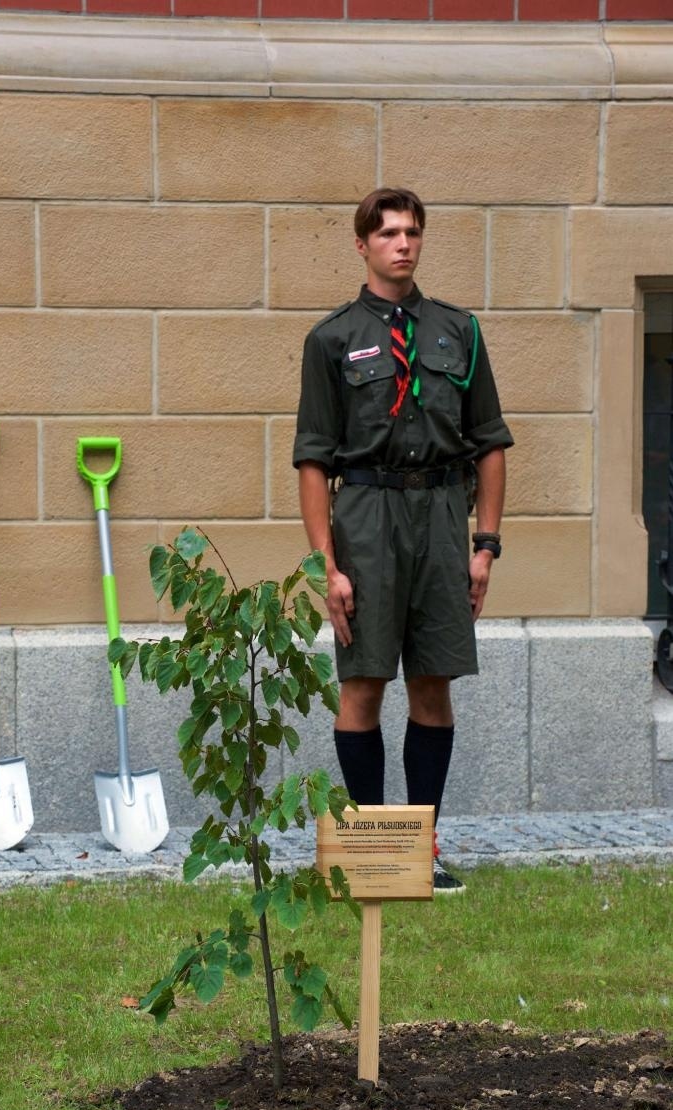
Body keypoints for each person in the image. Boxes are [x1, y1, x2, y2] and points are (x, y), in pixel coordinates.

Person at [293, 186, 513, 894]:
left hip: (443, 517)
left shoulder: (460, 331)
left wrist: (485, 546)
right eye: (387, 233)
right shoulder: (330, 339)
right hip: (366, 514)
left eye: (412, 232)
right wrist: (327, 565)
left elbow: (490, 445)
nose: (403, 243)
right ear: (361, 244)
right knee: (360, 685)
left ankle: (423, 847)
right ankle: (366, 848)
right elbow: (313, 459)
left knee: (432, 684)